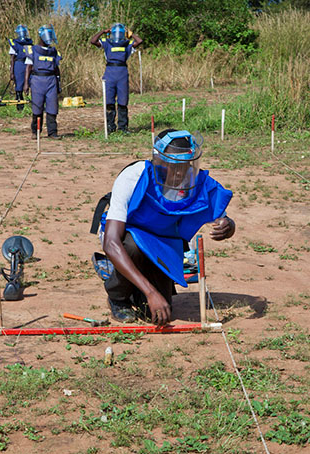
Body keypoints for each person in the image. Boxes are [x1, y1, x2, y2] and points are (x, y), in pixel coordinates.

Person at [100, 130, 236, 324]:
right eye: (174, 165)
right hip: (128, 237)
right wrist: (150, 291)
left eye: (185, 164)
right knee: (132, 247)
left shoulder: (192, 180)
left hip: (163, 243)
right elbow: (111, 243)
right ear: (159, 160)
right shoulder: (134, 176)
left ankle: (137, 287)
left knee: (157, 315)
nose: (180, 172)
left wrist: (228, 226)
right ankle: (117, 297)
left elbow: (224, 218)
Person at [89, 23, 143, 134]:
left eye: (120, 33)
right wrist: (103, 32)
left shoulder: (127, 44)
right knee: (109, 101)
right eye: (115, 33)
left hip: (122, 73)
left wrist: (131, 34)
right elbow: (93, 41)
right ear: (111, 34)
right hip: (110, 72)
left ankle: (123, 127)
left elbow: (139, 41)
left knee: (123, 101)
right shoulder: (107, 43)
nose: (117, 35)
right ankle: (110, 126)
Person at [24, 24, 62, 139]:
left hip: (51, 81)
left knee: (52, 107)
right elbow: (28, 68)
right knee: (37, 106)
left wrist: (59, 83)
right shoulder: (33, 50)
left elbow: (57, 69)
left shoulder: (54, 51)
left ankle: (52, 132)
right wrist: (26, 84)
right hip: (37, 81)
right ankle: (35, 132)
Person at [9, 24, 33, 111]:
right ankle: (19, 105)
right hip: (18, 64)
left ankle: (34, 103)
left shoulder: (29, 44)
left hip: (28, 64)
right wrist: (11, 72)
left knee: (31, 82)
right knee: (19, 85)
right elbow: (12, 59)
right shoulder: (15, 44)